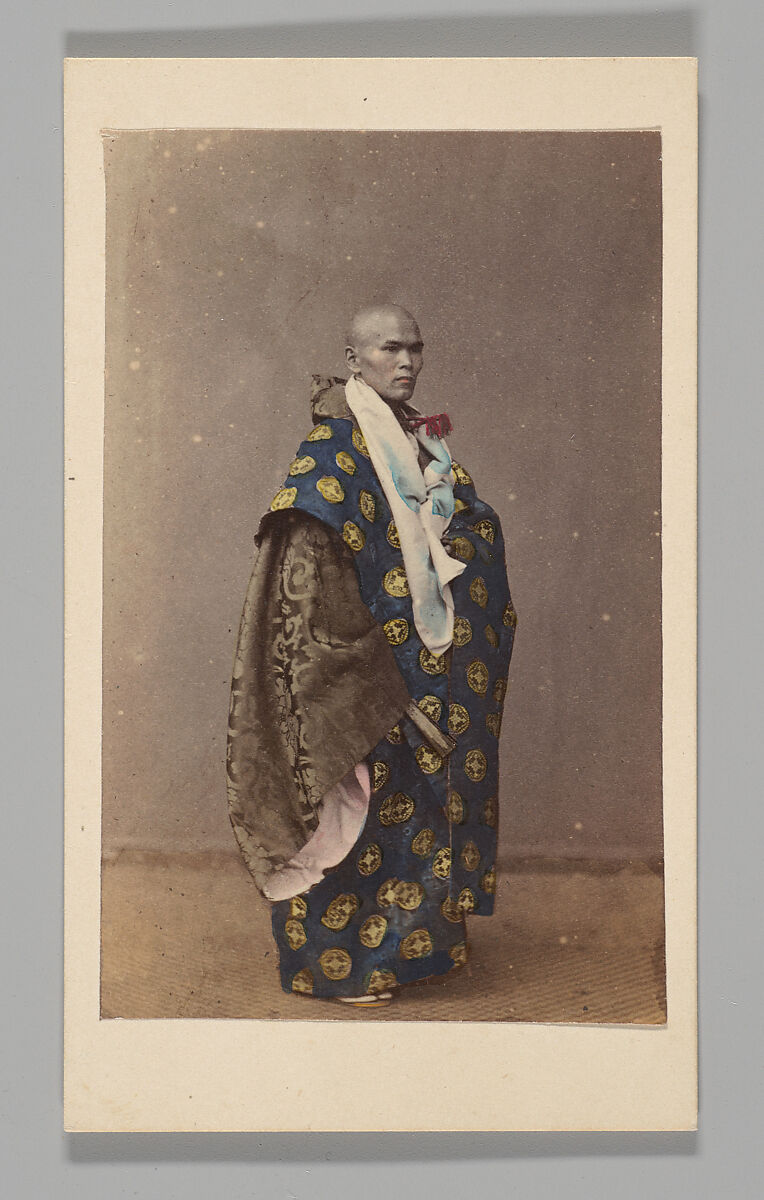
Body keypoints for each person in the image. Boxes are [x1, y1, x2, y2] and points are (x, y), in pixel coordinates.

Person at [226, 304, 517, 1007]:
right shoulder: (330, 455)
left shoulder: (424, 447)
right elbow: (307, 572)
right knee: (356, 811)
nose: (408, 362)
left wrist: (458, 540)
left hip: (429, 665)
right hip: (359, 669)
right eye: (391, 349)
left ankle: (416, 955)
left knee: (421, 811)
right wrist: (363, 665)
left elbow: (468, 528)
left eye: (416, 349)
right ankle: (342, 968)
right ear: (355, 359)